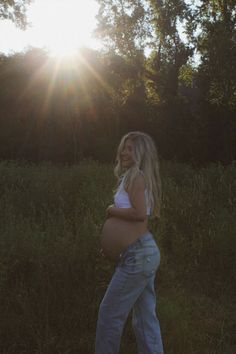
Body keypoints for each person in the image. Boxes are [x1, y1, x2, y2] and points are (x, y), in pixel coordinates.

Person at [95, 131, 164, 354]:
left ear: (141, 152)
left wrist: (111, 210)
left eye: (130, 148)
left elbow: (139, 214)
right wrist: (112, 247)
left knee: (109, 314)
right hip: (140, 253)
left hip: (138, 255)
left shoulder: (136, 176)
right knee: (144, 318)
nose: (124, 152)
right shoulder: (134, 176)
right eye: (123, 147)